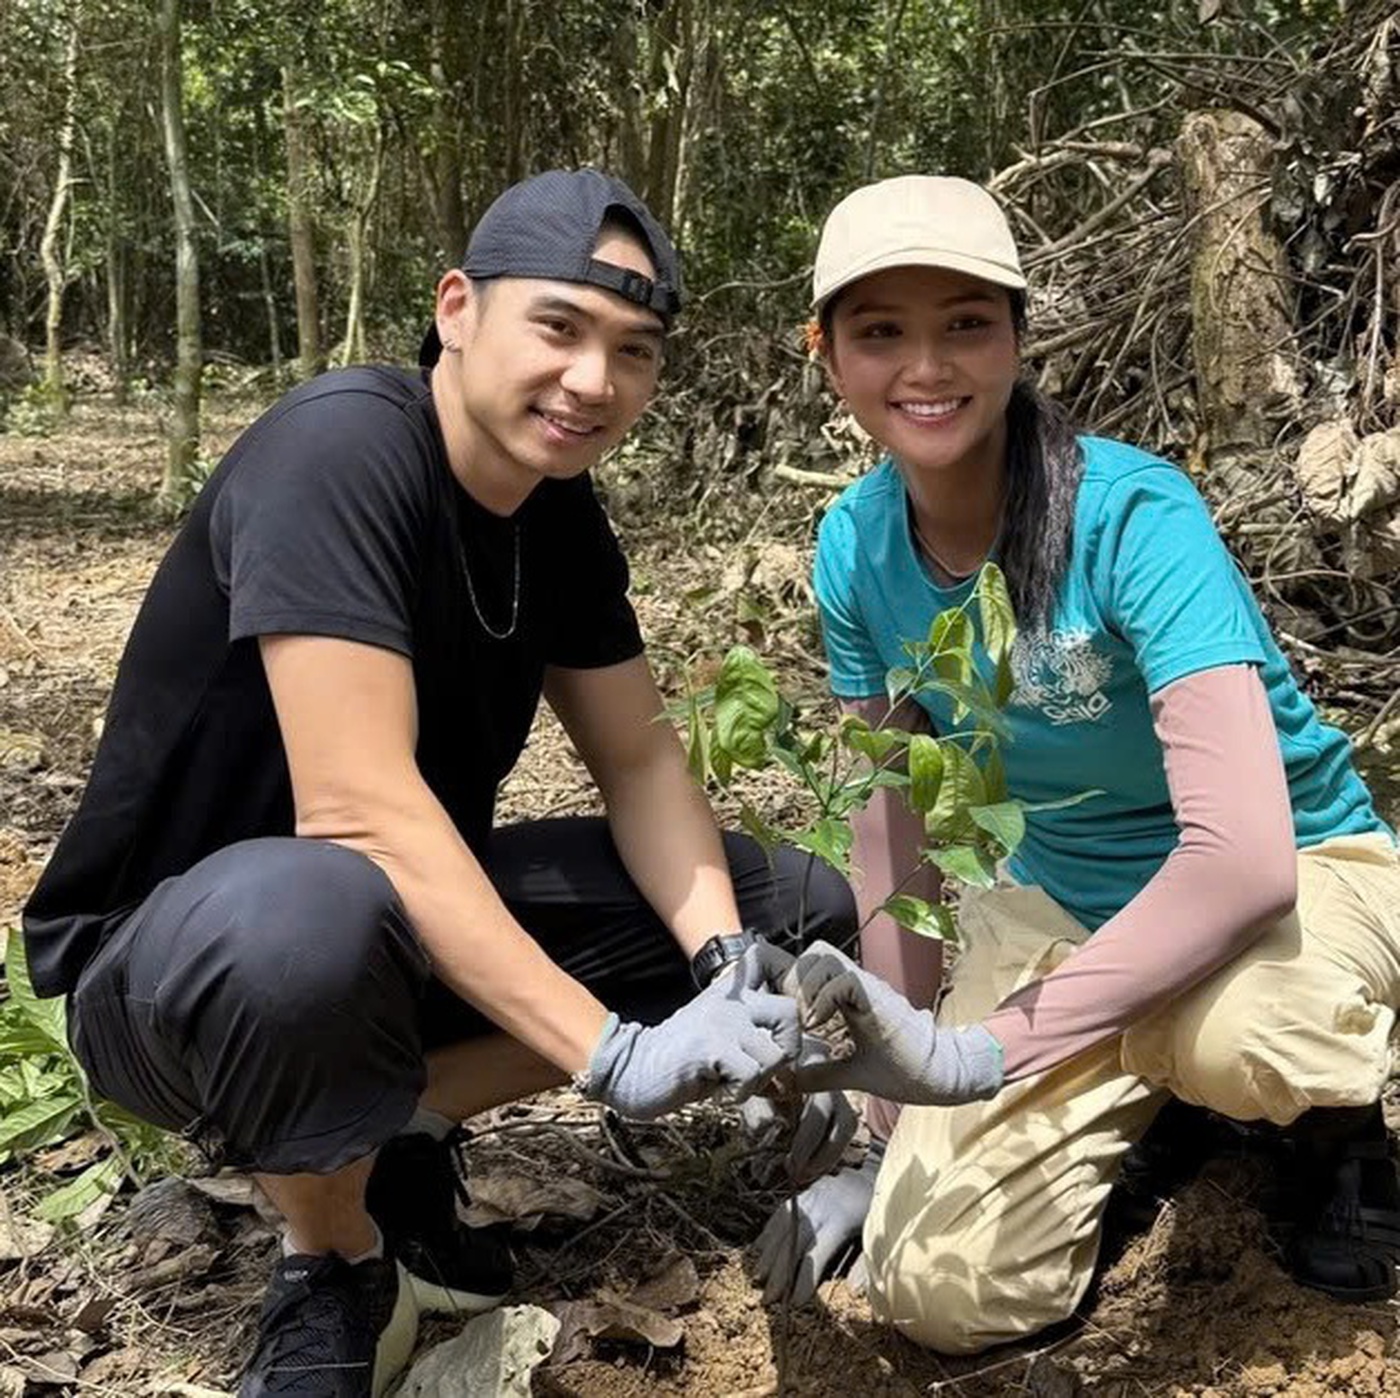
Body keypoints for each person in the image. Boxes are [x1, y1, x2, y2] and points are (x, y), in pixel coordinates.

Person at [21, 169, 855, 1397]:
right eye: (558, 328)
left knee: (787, 909)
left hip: (380, 938)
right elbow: (357, 813)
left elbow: (635, 759)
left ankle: (391, 1126)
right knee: (312, 911)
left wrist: (722, 969)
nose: (592, 381)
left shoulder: (555, 510)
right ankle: (334, 1258)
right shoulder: (342, 449)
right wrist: (613, 1055)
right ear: (457, 308)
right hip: (181, 971)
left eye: (632, 351)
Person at [750, 173, 1400, 1354]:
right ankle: (1148, 1099)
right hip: (1058, 899)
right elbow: (890, 826)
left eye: (964, 323)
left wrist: (983, 1051)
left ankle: (1333, 1136)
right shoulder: (851, 546)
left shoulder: (1130, 517)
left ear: (1014, 334)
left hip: (1300, 873)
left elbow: (1241, 860)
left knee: (1255, 1035)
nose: (926, 367)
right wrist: (882, 1097)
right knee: (936, 1297)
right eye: (879, 331)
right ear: (824, 352)